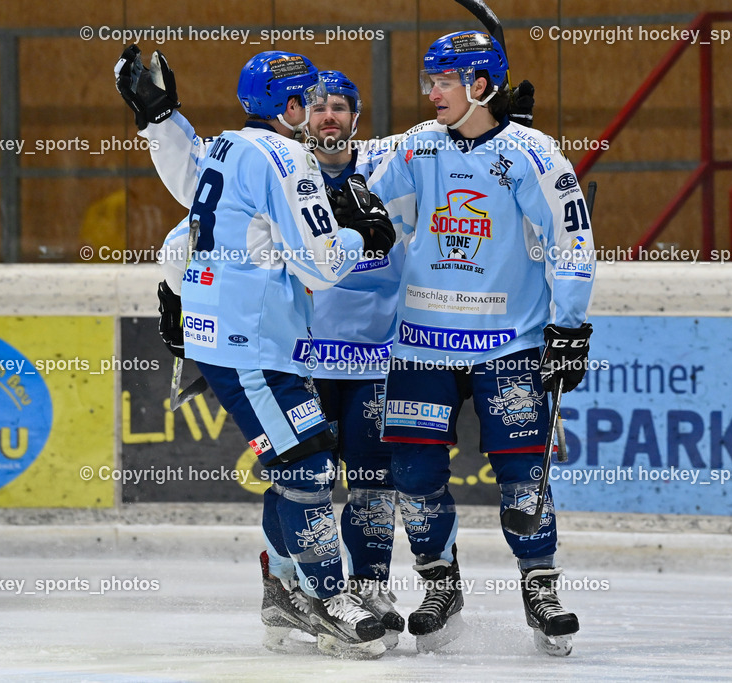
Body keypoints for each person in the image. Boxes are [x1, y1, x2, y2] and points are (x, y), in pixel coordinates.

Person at [115, 47, 396, 659]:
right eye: (308, 99)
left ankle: (284, 592)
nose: (315, 109)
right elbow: (319, 267)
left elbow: (186, 179)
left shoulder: (224, 147)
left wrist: (160, 119)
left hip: (239, 341)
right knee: (306, 471)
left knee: (300, 467)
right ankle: (326, 600)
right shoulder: (288, 157)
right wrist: (364, 234)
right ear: (291, 106)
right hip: (253, 344)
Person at [367, 30, 595, 656]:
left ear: (481, 86)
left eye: (443, 81)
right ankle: (439, 583)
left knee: (523, 473)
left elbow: (572, 238)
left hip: (509, 347)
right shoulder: (417, 146)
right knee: (413, 474)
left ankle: (539, 584)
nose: (430, 92)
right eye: (429, 81)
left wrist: (569, 325)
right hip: (420, 346)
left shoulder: (533, 152)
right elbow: (353, 184)